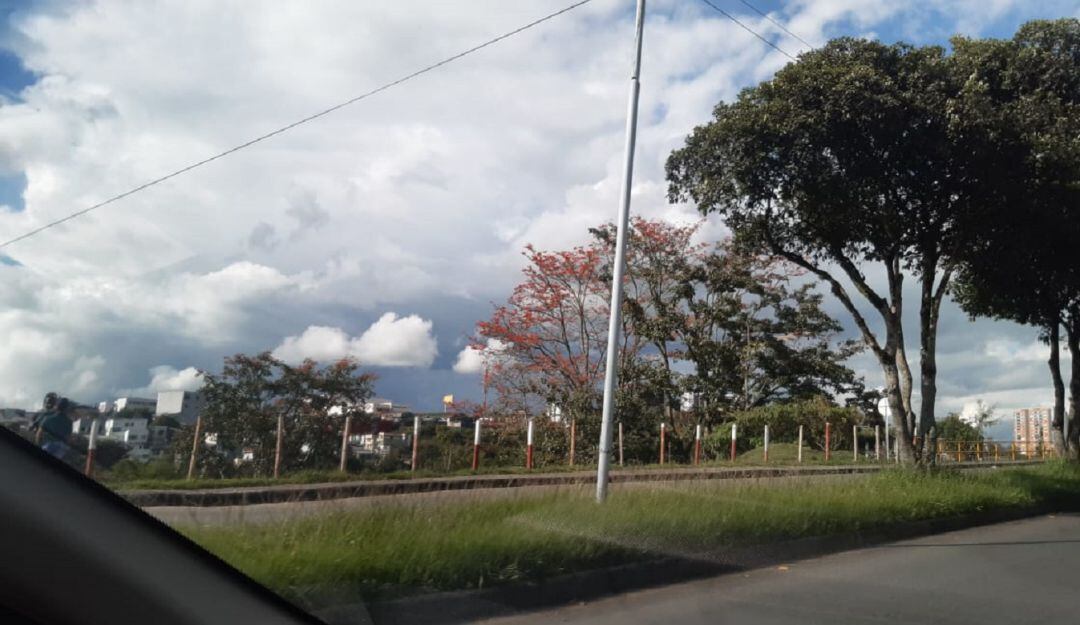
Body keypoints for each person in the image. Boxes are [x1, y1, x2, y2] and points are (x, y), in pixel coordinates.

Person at [31, 394, 73, 459]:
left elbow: (38, 435)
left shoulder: (47, 418)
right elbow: (69, 439)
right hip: (61, 448)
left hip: (48, 446)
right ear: (67, 408)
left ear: (56, 406)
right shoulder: (69, 422)